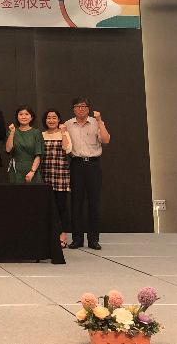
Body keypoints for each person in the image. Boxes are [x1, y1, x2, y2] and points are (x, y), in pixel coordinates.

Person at [65, 97, 110, 250]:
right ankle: (77, 239)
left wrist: (100, 121)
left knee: (94, 202)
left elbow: (106, 140)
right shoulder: (68, 124)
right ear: (73, 109)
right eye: (78, 106)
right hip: (76, 164)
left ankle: (93, 239)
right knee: (76, 202)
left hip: (93, 165)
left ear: (88, 108)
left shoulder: (96, 122)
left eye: (84, 106)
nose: (81, 109)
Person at [42, 109, 73, 248]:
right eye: (49, 118)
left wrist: (64, 132)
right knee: (47, 207)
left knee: (61, 206)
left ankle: (63, 235)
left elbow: (67, 149)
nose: (51, 120)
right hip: (45, 174)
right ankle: (49, 235)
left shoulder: (64, 133)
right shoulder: (41, 135)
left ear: (59, 120)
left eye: (54, 117)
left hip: (60, 174)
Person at [5, 105, 44, 184]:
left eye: (26, 114)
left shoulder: (36, 133)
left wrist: (32, 172)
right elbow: (8, 149)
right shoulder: (12, 132)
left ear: (31, 117)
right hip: (16, 169)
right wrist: (12, 132)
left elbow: (38, 155)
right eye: (21, 114)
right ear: (17, 117)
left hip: (32, 169)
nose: (23, 117)